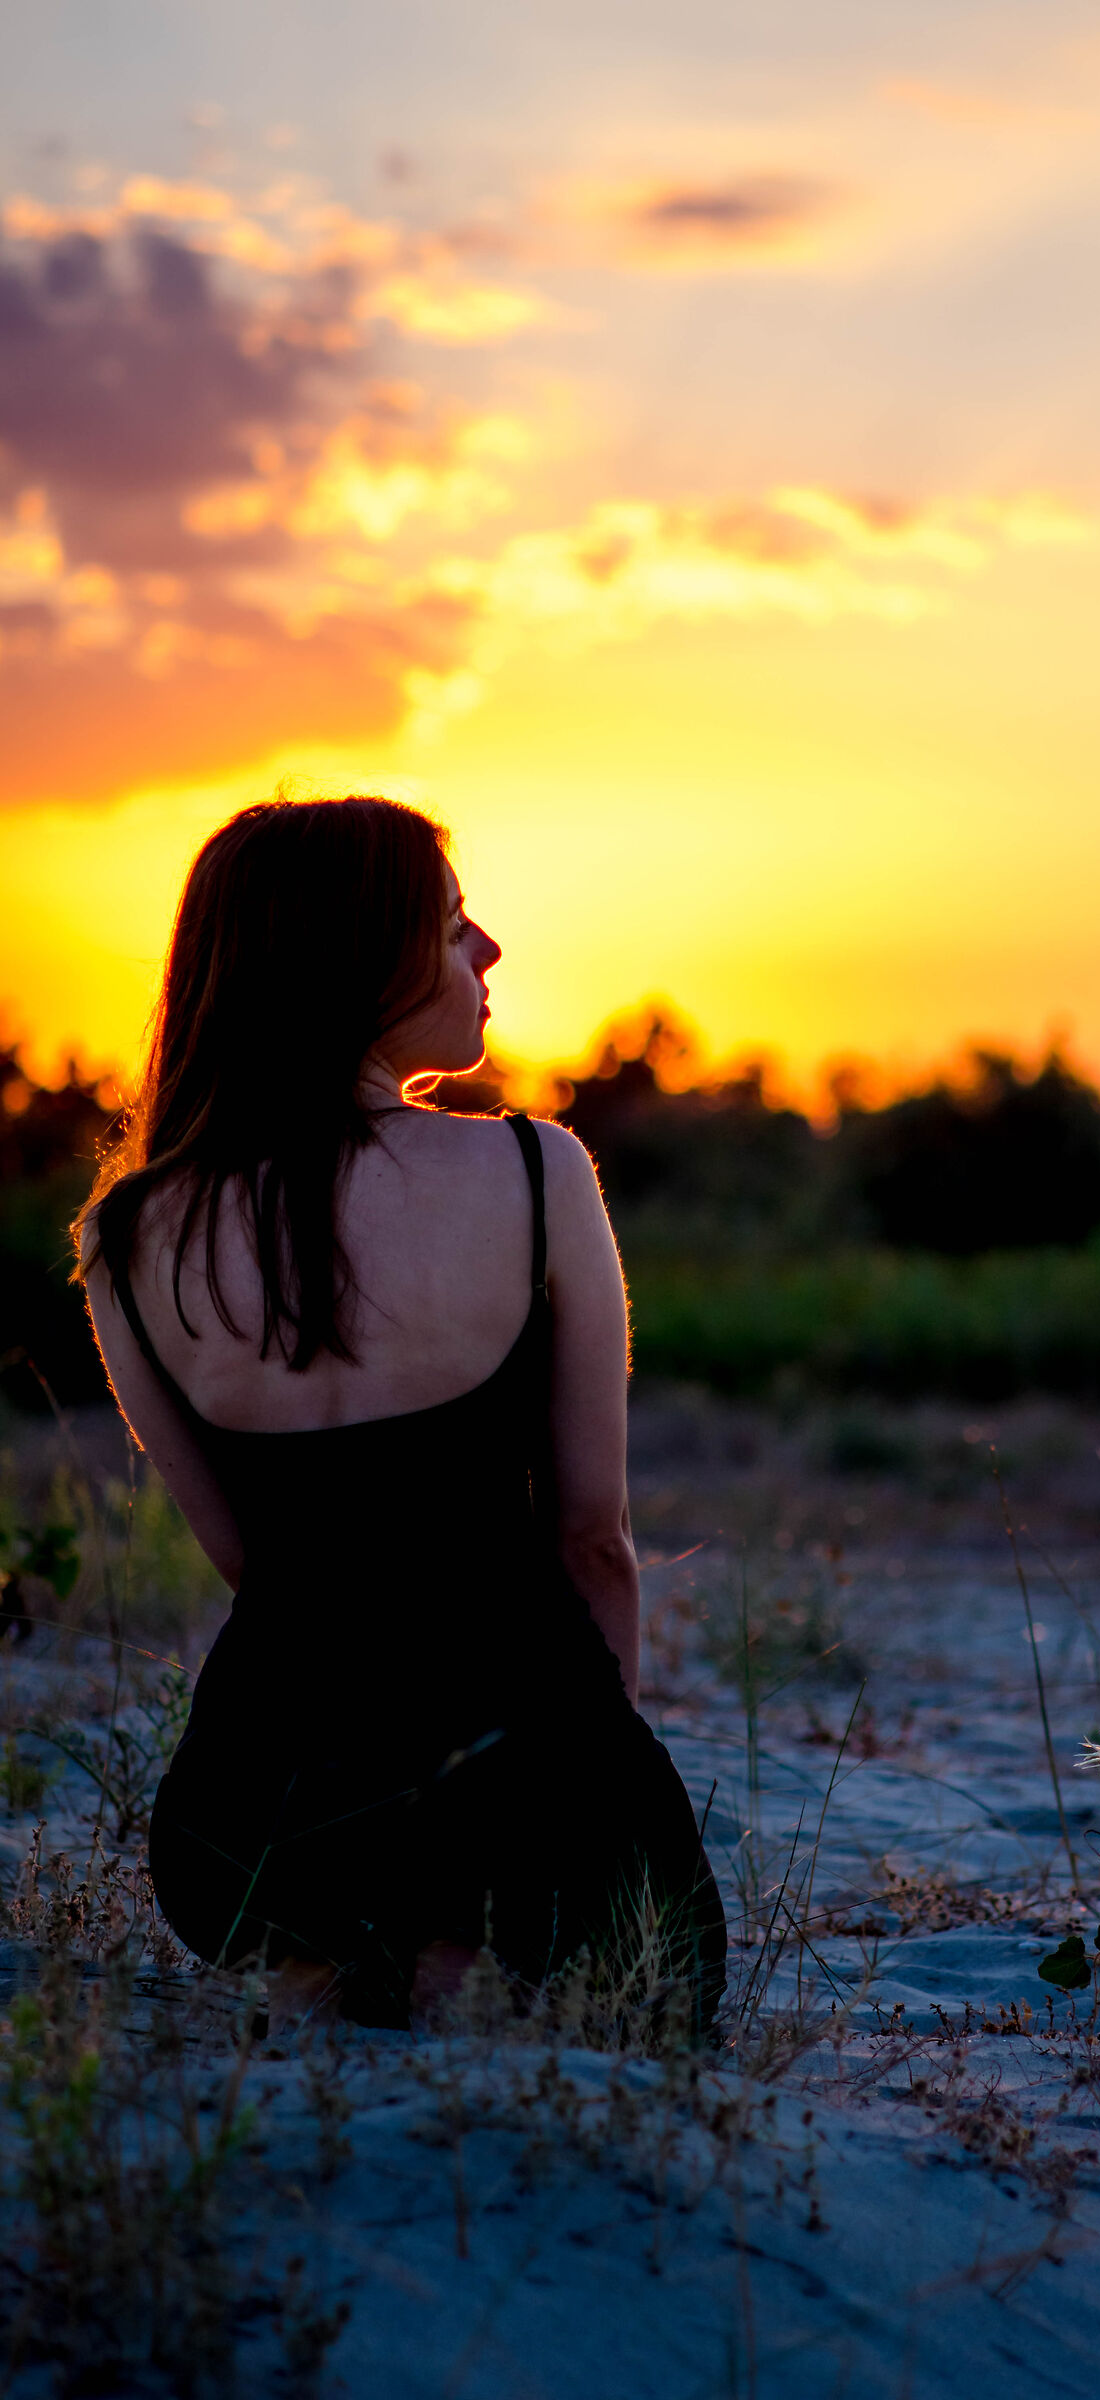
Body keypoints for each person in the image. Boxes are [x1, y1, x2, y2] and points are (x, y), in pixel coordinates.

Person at [75, 793, 725, 2034]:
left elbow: (255, 1568)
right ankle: (448, 1954)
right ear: (357, 957)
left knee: (335, 1927)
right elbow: (595, 1539)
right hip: (510, 1763)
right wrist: (601, 1786)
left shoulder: (122, 1235)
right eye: (451, 927)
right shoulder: (537, 1172)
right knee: (584, 1958)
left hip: (255, 1804)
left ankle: (335, 1952)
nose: (488, 953)